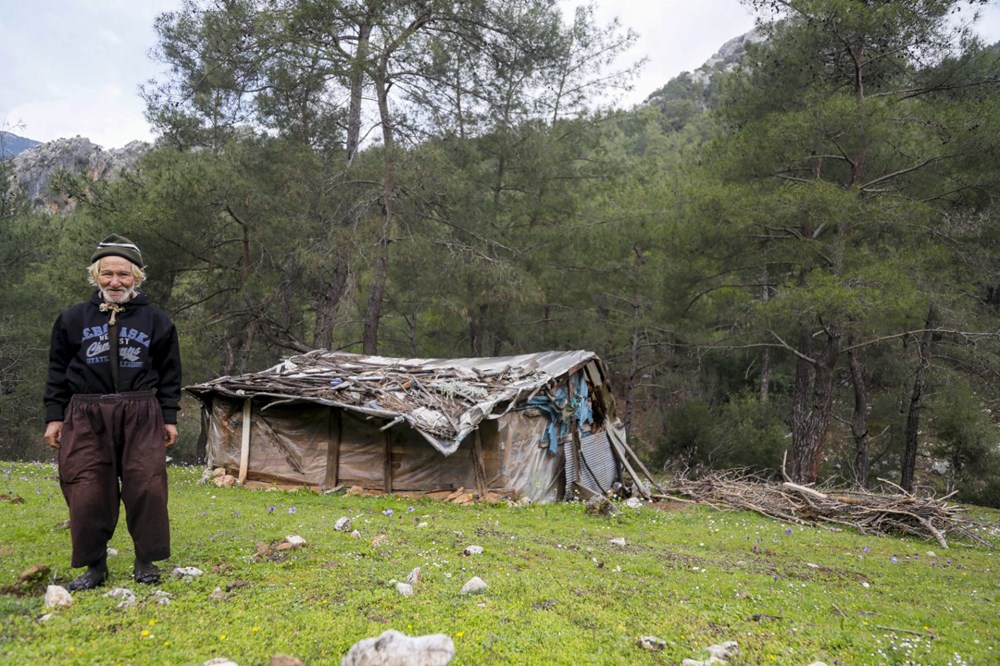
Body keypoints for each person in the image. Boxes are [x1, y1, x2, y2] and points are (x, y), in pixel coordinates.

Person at [44, 234, 182, 591]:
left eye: (123, 274)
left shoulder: (157, 321)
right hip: (86, 413)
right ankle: (95, 565)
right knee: (87, 488)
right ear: (95, 276)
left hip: (141, 412)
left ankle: (146, 561)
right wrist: (54, 416)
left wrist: (169, 416)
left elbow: (170, 373)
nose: (115, 282)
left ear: (137, 276)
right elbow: (57, 370)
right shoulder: (73, 319)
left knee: (147, 486)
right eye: (107, 274)